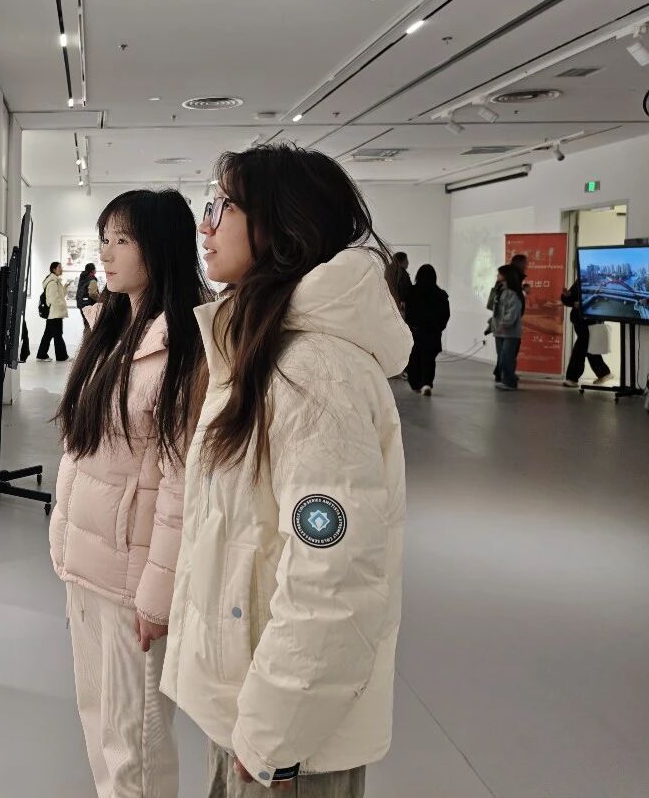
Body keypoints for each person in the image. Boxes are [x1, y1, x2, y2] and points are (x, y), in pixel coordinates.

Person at [162, 143, 411, 798]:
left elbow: (336, 578)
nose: (205, 224)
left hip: (286, 746)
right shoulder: (262, 350)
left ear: (281, 224)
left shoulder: (316, 371)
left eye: (222, 205)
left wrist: (270, 733)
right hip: (252, 715)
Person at [49, 189, 210, 798]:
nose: (107, 253)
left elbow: (180, 483)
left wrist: (156, 598)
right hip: (86, 565)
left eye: (123, 239)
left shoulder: (183, 348)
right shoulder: (112, 329)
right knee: (98, 726)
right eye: (105, 239)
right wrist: (62, 536)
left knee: (135, 752)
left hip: (131, 582)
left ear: (160, 248)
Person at [559, 277, 616, 387]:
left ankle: (573, 378)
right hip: (580, 319)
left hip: (592, 319)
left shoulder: (602, 281)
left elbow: (604, 298)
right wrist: (567, 297)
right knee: (587, 346)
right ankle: (603, 373)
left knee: (581, 346)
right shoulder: (580, 280)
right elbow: (568, 299)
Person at [404, 264, 450, 396]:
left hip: (415, 331)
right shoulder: (441, 294)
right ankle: (426, 384)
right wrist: (439, 328)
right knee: (429, 359)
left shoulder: (412, 292)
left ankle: (415, 384)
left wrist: (410, 325)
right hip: (432, 332)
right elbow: (445, 315)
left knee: (414, 358)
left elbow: (408, 312)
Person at [491, 264, 524, 391]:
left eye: (499, 274)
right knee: (501, 357)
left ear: (506, 276)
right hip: (499, 331)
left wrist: (503, 324)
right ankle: (505, 379)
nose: (497, 276)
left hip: (510, 332)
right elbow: (496, 311)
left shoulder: (513, 294)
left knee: (507, 357)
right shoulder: (499, 291)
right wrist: (493, 324)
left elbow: (512, 313)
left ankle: (510, 382)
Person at [37, 262, 69, 361]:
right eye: (59, 267)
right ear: (54, 269)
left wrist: (65, 287)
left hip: (54, 313)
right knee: (58, 335)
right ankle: (62, 357)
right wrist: (62, 305)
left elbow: (60, 296)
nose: (61, 269)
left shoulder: (55, 281)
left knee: (48, 335)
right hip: (54, 313)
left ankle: (41, 355)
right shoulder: (52, 282)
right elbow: (52, 299)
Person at [76, 262, 102, 329]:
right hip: (89, 304)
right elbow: (92, 293)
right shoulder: (92, 279)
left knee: (86, 324)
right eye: (95, 269)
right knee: (91, 325)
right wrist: (100, 299)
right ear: (93, 270)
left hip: (81, 304)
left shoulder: (83, 278)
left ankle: (86, 335)